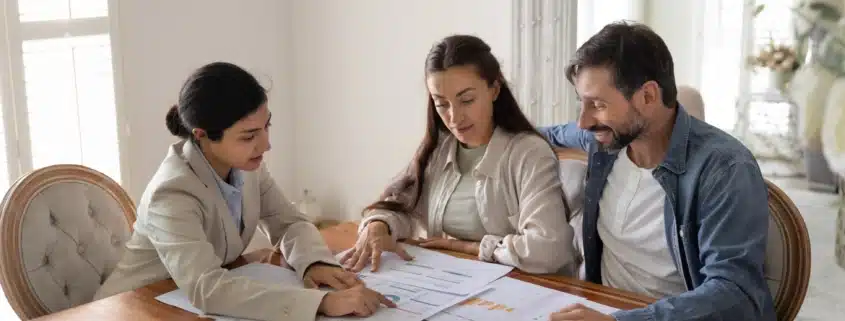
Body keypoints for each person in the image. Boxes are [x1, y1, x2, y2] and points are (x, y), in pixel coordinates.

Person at [94, 62, 394, 320]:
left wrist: (313, 263)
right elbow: (207, 288)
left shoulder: (245, 165)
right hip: (134, 308)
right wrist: (323, 303)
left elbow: (289, 223)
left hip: (187, 306)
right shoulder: (171, 193)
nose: (265, 145)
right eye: (250, 135)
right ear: (202, 135)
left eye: (266, 127)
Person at [540, 22, 776, 321]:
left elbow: (735, 294)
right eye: (582, 104)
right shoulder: (604, 140)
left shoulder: (725, 169)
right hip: (603, 306)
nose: (583, 122)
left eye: (597, 104)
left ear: (648, 96)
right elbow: (547, 134)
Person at [339, 34, 578, 275]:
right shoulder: (439, 149)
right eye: (441, 104)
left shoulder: (529, 153)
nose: (454, 117)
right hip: (456, 281)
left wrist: (468, 247)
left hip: (528, 289)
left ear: (494, 89)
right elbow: (403, 209)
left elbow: (548, 249)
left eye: (467, 100)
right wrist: (378, 225)